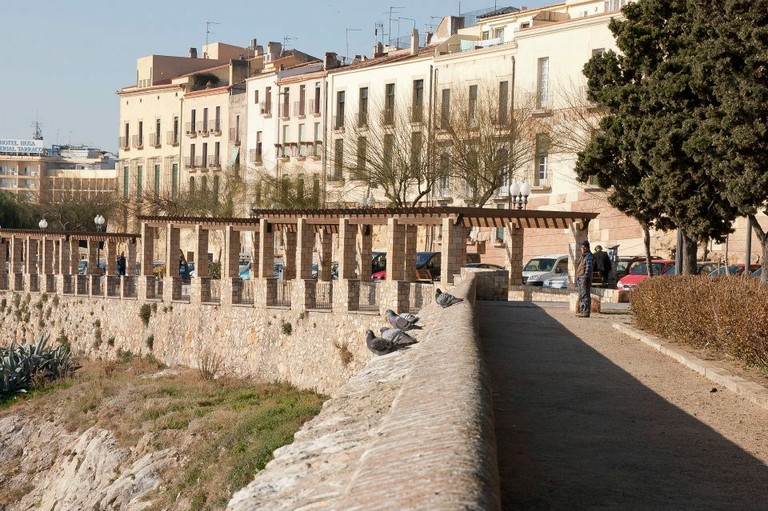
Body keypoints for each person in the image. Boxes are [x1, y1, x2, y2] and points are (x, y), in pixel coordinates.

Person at [575, 240, 594, 317]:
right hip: (580, 278)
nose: (581, 249)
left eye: (582, 247)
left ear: (586, 248)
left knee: (585, 296)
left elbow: (588, 269)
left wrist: (585, 278)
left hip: (584, 278)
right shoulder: (583, 256)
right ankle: (582, 311)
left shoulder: (589, 256)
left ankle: (586, 312)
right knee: (581, 296)